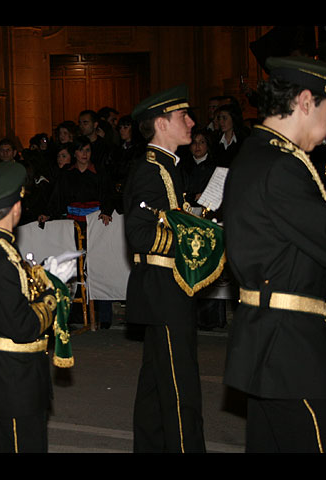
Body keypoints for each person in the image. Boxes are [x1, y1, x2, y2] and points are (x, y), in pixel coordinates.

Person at [223, 55, 326, 453]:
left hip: (267, 342)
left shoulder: (257, 156)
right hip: (292, 351)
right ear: (305, 101)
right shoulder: (282, 167)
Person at [122, 84, 206, 452]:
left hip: (166, 287)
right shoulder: (149, 170)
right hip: (163, 287)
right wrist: (192, 241)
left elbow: (171, 216)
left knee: (157, 382)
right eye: (182, 117)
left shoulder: (169, 168)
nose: (190, 122)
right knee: (181, 385)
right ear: (161, 123)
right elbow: (140, 234)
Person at [0, 161, 59, 452]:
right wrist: (51, 297)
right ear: (15, 207)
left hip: (13, 372)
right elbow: (21, 325)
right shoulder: (0, 255)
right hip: (13, 375)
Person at [39, 136, 114, 226]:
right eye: (81, 150)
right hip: (71, 221)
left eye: (88, 150)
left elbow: (108, 194)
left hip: (96, 220)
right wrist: (48, 214)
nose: (85, 154)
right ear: (74, 153)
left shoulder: (99, 172)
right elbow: (57, 196)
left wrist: (106, 211)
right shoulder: (66, 173)